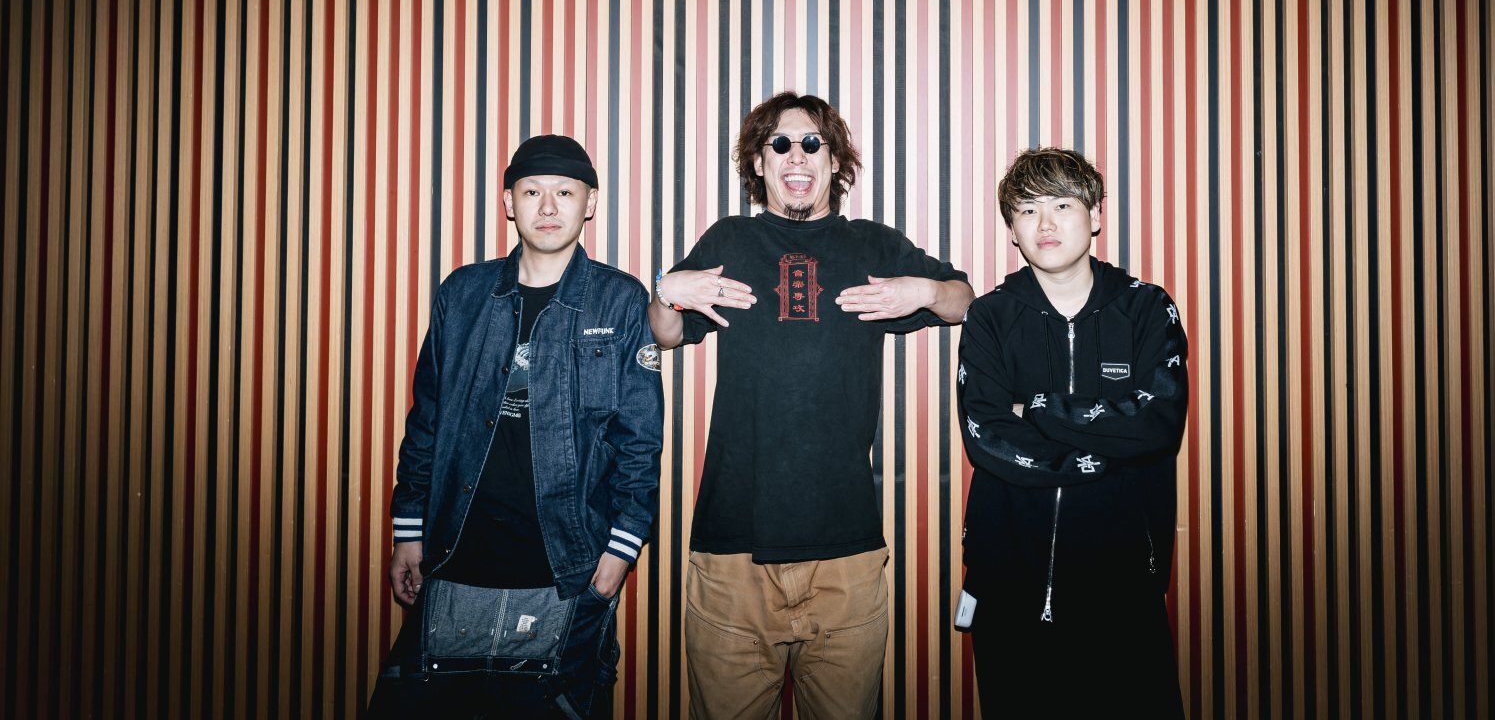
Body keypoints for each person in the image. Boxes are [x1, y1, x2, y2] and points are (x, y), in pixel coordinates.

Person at [651, 92, 973, 720]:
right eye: (779, 144)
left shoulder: (872, 245)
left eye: (811, 144)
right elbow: (666, 334)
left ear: (834, 161)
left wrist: (925, 290)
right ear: (759, 162)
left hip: (845, 554)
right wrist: (667, 291)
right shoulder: (730, 239)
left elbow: (964, 301)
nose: (796, 157)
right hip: (733, 550)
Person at [368, 135, 665, 719]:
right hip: (453, 561)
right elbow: (426, 418)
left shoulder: (619, 301)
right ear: (509, 202)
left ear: (590, 203)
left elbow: (640, 439)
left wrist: (619, 554)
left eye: (565, 193)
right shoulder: (463, 293)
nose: (548, 207)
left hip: (566, 571)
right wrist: (408, 530)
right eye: (532, 192)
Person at [956, 147, 1188, 718]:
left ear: (1095, 215)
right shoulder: (989, 316)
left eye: (1061, 204)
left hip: (1123, 583)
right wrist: (1106, 450)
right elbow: (987, 435)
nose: (1046, 223)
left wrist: (1039, 408)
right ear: (1012, 230)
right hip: (1008, 582)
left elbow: (1157, 422)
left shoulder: (1146, 308)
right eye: (1028, 209)